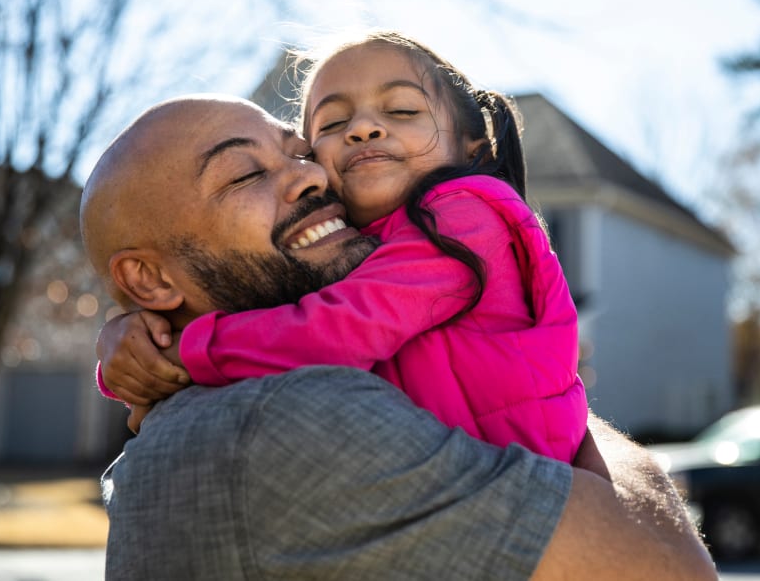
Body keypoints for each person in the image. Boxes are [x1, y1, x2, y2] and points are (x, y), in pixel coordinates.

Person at [80, 94, 717, 579]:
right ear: (149, 280)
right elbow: (669, 566)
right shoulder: (293, 418)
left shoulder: (209, 412)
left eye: (298, 152)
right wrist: (540, 373)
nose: (315, 177)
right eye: (245, 176)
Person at [100, 31, 586, 462]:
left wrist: (186, 353)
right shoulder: (355, 247)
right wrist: (134, 337)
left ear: (472, 149)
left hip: (521, 484)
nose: (363, 128)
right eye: (331, 126)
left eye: (402, 110)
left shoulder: (466, 215)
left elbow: (339, 327)